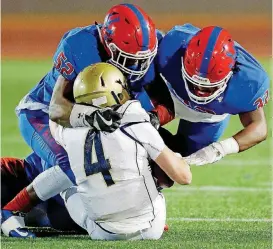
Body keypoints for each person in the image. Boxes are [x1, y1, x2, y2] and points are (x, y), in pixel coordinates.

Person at [1, 4, 172, 237]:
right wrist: (91, 117)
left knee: (145, 161)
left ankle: (17, 176)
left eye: (144, 59)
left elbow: (166, 104)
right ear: (108, 45)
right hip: (45, 115)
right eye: (128, 58)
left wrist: (153, 119)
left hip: (96, 117)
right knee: (74, 167)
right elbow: (57, 108)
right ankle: (11, 212)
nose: (137, 67)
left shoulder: (146, 53)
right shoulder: (81, 45)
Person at [2, 63, 192, 239]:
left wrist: (70, 104)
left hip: (101, 231)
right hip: (152, 227)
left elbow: (55, 116)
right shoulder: (138, 123)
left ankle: (13, 211)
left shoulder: (69, 134)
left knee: (67, 173)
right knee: (145, 165)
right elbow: (184, 177)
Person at [156, 24, 269, 165]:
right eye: (194, 83)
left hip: (209, 115)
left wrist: (220, 149)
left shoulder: (249, 81)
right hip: (170, 95)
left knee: (177, 162)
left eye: (209, 87)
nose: (199, 91)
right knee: (137, 128)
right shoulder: (170, 49)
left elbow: (259, 127)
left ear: (230, 74)